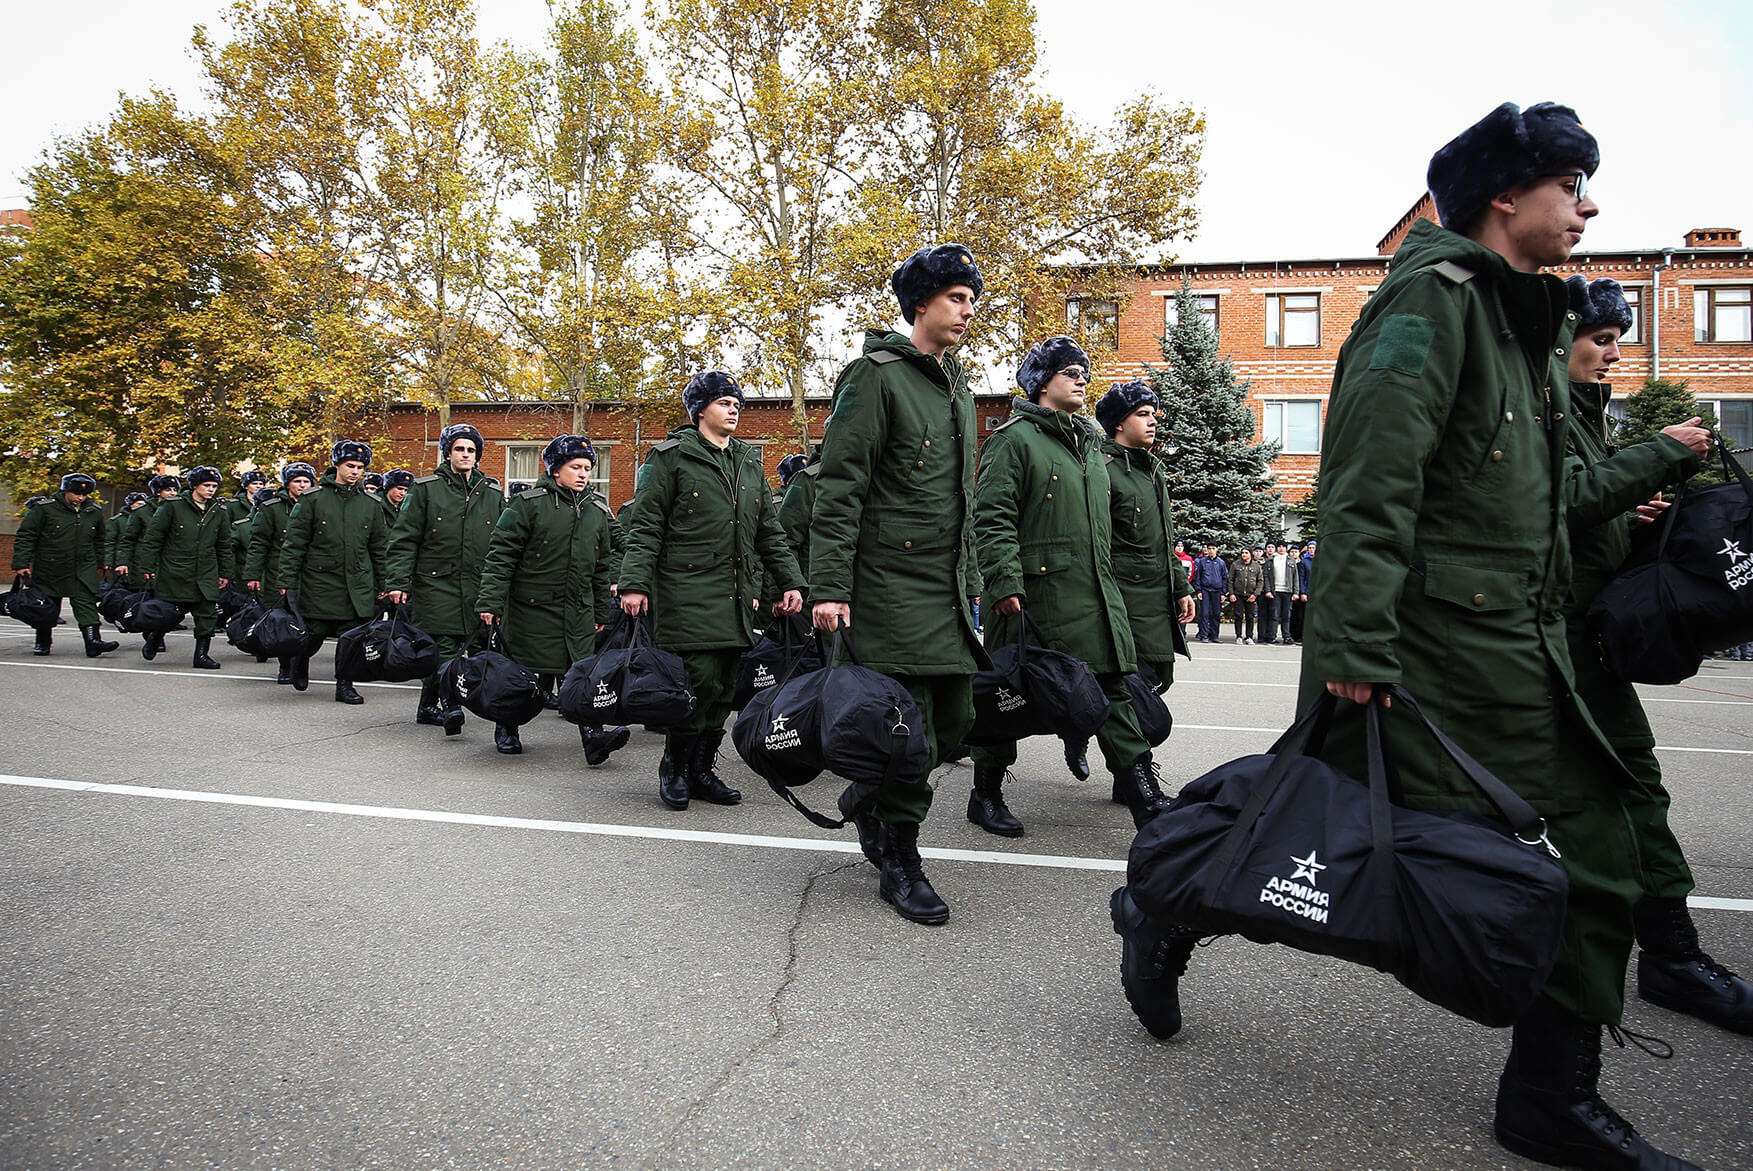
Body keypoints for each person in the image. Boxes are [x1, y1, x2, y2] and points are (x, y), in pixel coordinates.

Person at [1116, 102, 1705, 1171]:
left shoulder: (1518, 322)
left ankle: (1548, 1098)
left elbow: (1543, 493)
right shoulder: (1426, 311)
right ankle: (1163, 904)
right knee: (1323, 847)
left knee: (1596, 859)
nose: (1589, 205)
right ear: (1504, 195)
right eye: (1572, 185)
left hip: (1522, 657)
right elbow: (1366, 496)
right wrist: (1351, 650)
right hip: (1424, 661)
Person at [1559, 275, 1749, 1036]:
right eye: (1599, 340)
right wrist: (1655, 455)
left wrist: (1629, 511)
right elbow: (1543, 508)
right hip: (1541, 646)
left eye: (1616, 342)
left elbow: (1576, 512)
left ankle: (1669, 954)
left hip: (1582, 643)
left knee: (1634, 790)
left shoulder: (1577, 414)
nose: (1611, 356)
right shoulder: (1535, 408)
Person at [807, 243, 990, 925]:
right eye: (955, 298)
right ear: (921, 303)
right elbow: (841, 486)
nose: (966, 310)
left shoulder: (958, 386)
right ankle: (901, 859)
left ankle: (868, 793)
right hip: (884, 586)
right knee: (907, 732)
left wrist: (970, 581)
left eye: (971, 299)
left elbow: (962, 501)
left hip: (942, 593)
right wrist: (829, 585)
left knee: (954, 722)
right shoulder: (875, 376)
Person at [969, 342, 1170, 837]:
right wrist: (1004, 582)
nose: (1082, 380)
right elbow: (992, 519)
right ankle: (985, 794)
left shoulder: (1090, 444)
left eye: (1085, 373)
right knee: (1007, 700)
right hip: (1033, 600)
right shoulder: (1012, 440)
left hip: (1095, 597)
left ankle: (1146, 796)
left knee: (1115, 691)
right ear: (1042, 382)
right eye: (1071, 373)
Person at [618, 372, 804, 809]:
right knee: (697, 681)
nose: (734, 408)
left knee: (725, 687)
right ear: (700, 410)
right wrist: (634, 582)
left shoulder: (748, 461)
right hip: (686, 591)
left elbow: (769, 532)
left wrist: (790, 581)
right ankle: (675, 768)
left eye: (737, 401)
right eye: (724, 402)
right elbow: (645, 528)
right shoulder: (669, 458)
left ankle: (702, 770)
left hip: (736, 595)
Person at [477, 434, 627, 761]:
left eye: (588, 468)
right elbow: (501, 556)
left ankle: (593, 738)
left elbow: (601, 567)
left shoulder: (597, 509)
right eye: (576, 467)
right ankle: (507, 726)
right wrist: (489, 602)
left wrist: (601, 610)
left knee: (582, 677)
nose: (584, 474)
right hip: (531, 609)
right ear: (556, 469)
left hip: (577, 611)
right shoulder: (528, 504)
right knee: (518, 675)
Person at [1095, 378, 1194, 802]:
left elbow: (1164, 541)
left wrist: (1181, 586)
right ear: (1119, 423)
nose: (1153, 421)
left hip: (1157, 600)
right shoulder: (1102, 469)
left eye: (1154, 414)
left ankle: (1127, 778)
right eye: (1143, 414)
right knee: (1131, 694)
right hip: (1125, 602)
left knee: (1153, 685)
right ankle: (1136, 780)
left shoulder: (1152, 471)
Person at [383, 426, 503, 735]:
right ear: (447, 452)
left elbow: (504, 543)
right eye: (459, 449)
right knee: (443, 648)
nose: (465, 455)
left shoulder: (491, 492)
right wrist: (398, 581)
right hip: (436, 584)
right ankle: (447, 705)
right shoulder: (425, 490)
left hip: (476, 585)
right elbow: (404, 539)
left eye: (471, 450)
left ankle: (431, 704)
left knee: (478, 646)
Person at [277, 441, 391, 703]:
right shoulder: (312, 499)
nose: (355, 472)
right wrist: (286, 580)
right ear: (337, 465)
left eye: (360, 467)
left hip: (357, 582)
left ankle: (344, 684)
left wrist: (385, 580)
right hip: (321, 580)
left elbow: (379, 547)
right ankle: (300, 660)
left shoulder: (371, 504)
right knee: (314, 632)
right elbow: (295, 544)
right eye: (350, 466)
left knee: (352, 638)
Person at [137, 466, 235, 669]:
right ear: (195, 486)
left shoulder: (218, 510)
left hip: (206, 571)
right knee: (169, 613)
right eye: (206, 485)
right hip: (176, 570)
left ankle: (201, 655)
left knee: (207, 614)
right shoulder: (173, 506)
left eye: (214, 486)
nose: (211, 490)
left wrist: (226, 572)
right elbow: (154, 538)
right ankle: (155, 638)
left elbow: (224, 544)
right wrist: (147, 565)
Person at [10, 473, 116, 658]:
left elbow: (100, 539)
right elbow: (26, 536)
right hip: (51, 566)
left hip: (82, 568)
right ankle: (43, 642)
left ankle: (93, 642)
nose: (80, 498)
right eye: (76, 494)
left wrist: (101, 563)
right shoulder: (45, 509)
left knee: (86, 604)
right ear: (65, 490)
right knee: (47, 607)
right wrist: (21, 563)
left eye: (84, 495)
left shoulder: (93, 511)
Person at [244, 463, 317, 685]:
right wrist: (253, 575)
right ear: (288, 484)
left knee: (307, 621)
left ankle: (300, 664)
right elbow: (259, 544)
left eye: (306, 481)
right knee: (282, 622)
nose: (302, 485)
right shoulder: (271, 508)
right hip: (278, 572)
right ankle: (285, 665)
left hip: (311, 574)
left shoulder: (317, 504)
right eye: (298, 481)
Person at [105, 492, 149, 585]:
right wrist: (108, 562)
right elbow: (110, 542)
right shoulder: (117, 521)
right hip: (121, 559)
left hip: (138, 559)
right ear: (130, 505)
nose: (142, 507)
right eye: (139, 504)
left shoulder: (146, 518)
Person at [1190, 544, 1227, 643]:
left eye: (1213, 549)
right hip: (1205, 590)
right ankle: (1204, 635)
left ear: (1217, 549)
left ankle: (1214, 636)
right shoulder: (1202, 562)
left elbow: (1224, 578)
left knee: (1215, 614)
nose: (1211, 551)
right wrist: (1198, 591)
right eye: (1209, 549)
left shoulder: (1221, 563)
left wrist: (1223, 593)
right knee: (1204, 613)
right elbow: (1197, 577)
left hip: (1217, 591)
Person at [1227, 547, 1263, 644]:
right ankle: (1238, 636)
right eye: (1242, 553)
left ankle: (1249, 636)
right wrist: (1231, 593)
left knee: (1250, 616)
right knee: (1238, 616)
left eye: (1246, 553)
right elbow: (1230, 580)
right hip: (1238, 594)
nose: (1244, 554)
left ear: (1250, 554)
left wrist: (1255, 594)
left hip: (1250, 595)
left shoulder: (1256, 566)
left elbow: (1260, 581)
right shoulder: (1235, 564)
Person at [1262, 543, 1294, 644]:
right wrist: (1268, 590)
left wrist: (1296, 592)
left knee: (1286, 616)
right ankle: (1272, 637)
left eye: (1283, 546)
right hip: (1275, 591)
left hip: (1287, 591)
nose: (1281, 548)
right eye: (1279, 546)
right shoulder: (1271, 560)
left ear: (1286, 548)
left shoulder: (1290, 560)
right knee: (1274, 615)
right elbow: (1266, 576)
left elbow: (1295, 577)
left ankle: (1287, 637)